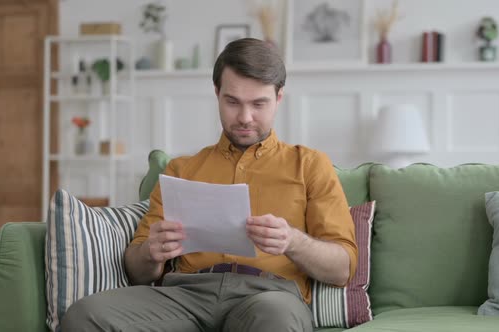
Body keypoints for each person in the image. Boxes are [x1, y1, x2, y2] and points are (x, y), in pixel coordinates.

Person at [62, 38, 358, 332]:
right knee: (85, 315)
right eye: (232, 102)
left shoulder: (309, 165)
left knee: (275, 320)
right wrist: (151, 252)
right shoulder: (181, 170)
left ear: (279, 97)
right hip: (186, 295)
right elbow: (138, 272)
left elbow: (342, 268)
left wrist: (292, 241)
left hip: (269, 297)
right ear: (217, 93)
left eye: (259, 104)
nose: (245, 117)